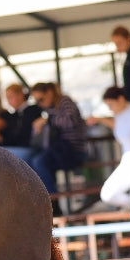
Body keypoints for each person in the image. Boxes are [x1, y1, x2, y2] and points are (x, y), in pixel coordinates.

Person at [87, 86, 130, 256]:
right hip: (128, 161)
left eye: (111, 104)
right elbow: (118, 125)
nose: (111, 108)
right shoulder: (120, 116)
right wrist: (100, 119)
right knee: (108, 194)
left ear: (121, 99)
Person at [28, 82, 88, 215]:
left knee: (39, 162)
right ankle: (51, 201)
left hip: (72, 150)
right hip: (60, 150)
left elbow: (70, 121)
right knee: (38, 163)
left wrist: (47, 121)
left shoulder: (65, 102)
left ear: (49, 93)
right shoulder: (50, 109)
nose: (40, 103)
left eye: (41, 99)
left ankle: (52, 203)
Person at [1, 83, 44, 163]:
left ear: (20, 95)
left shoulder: (33, 109)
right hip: (20, 148)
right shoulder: (14, 115)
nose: (9, 102)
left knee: (1, 155)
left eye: (10, 97)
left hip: (31, 147)